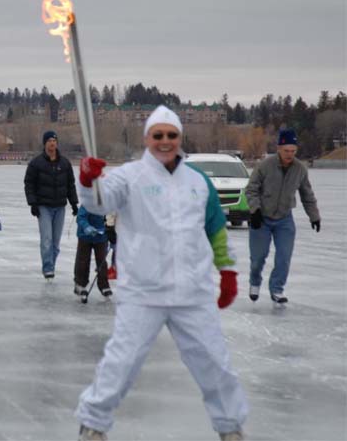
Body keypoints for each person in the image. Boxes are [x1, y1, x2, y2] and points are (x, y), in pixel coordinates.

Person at [75, 105, 247, 441]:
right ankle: (93, 423)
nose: (165, 141)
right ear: (147, 138)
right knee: (121, 363)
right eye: (158, 135)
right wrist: (87, 180)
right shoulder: (129, 176)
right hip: (144, 291)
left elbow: (216, 229)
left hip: (192, 291)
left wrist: (227, 271)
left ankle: (230, 427)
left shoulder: (198, 182)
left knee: (215, 364)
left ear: (180, 138)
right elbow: (98, 202)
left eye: (171, 135)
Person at [245, 128, 320, 304]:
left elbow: (307, 194)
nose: (289, 154)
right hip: (262, 218)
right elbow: (251, 189)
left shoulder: (300, 169)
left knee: (284, 257)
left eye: (293, 151)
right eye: (286, 150)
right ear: (279, 148)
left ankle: (277, 289)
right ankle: (254, 282)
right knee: (258, 258)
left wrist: (314, 216)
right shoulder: (265, 165)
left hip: (284, 219)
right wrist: (255, 210)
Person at [24, 130, 78, 280]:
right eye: (49, 141)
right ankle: (48, 268)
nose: (52, 143)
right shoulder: (36, 163)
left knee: (55, 242)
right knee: (46, 239)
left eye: (54, 141)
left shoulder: (65, 163)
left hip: (60, 207)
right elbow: (29, 184)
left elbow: (70, 185)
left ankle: (51, 266)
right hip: (43, 206)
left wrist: (74, 203)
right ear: (45, 143)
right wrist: (33, 203)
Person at [73, 205, 112, 303]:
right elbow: (80, 217)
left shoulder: (109, 203)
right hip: (85, 236)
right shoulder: (89, 202)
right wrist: (86, 226)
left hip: (101, 236)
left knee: (102, 261)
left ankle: (104, 285)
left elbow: (112, 219)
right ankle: (80, 284)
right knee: (83, 260)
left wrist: (112, 233)